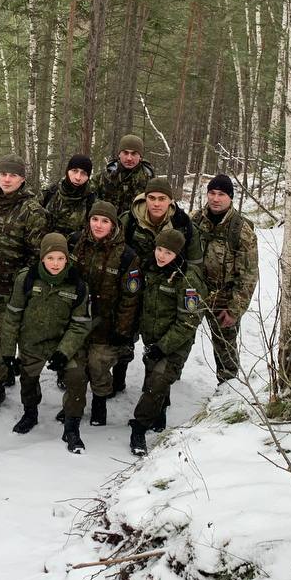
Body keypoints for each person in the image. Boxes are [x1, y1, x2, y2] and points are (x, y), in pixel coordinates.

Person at [0, 233, 92, 454]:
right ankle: (30, 413)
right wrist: (8, 352)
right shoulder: (26, 279)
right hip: (31, 343)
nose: (55, 263)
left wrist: (64, 352)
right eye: (50, 258)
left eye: (60, 258)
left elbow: (80, 325)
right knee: (28, 379)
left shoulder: (77, 285)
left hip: (62, 345)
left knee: (77, 377)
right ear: (42, 258)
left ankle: (72, 425)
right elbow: (12, 316)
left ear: (67, 260)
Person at [117, 177, 202, 394]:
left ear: (170, 201)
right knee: (125, 333)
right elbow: (116, 252)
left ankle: (162, 383)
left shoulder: (183, 224)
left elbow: (194, 263)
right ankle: (118, 377)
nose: (156, 203)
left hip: (166, 290)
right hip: (133, 285)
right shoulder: (130, 220)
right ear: (145, 198)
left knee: (162, 339)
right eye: (152, 198)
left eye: (162, 199)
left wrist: (185, 286)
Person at [127, 228, 207, 457]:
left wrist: (164, 347)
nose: (162, 256)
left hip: (176, 343)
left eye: (168, 253)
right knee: (152, 376)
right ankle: (159, 412)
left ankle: (139, 427)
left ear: (178, 254)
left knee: (158, 380)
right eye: (159, 249)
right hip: (153, 338)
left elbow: (189, 321)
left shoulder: (187, 279)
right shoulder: (150, 269)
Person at [0, 154, 47, 389]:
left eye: (13, 175)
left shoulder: (32, 211)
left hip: (13, 289)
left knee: (1, 336)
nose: (7, 179)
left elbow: (37, 255)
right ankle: (1, 373)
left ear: (22, 179)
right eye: (3, 174)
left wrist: (25, 286)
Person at [69, 201, 140, 427]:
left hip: (107, 325)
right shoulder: (76, 243)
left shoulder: (126, 255)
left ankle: (99, 404)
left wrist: (122, 331)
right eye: (94, 219)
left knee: (98, 366)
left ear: (114, 225)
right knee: (75, 369)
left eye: (105, 221)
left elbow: (130, 299)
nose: (98, 225)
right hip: (78, 321)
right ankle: (74, 406)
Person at [190, 174, 259, 384]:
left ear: (230, 197)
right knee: (178, 338)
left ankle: (227, 389)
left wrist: (234, 310)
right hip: (193, 293)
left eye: (221, 194)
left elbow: (248, 275)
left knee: (225, 350)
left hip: (224, 298)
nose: (215, 198)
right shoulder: (194, 220)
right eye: (212, 193)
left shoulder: (241, 230)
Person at [91, 134, 155, 212]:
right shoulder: (104, 176)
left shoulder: (149, 179)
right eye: (125, 153)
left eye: (134, 154)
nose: (129, 158)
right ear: (119, 154)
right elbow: (89, 198)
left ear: (140, 156)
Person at [41, 154, 95, 237]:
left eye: (83, 173)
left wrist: (83, 236)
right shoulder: (49, 193)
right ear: (67, 170)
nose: (78, 177)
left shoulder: (91, 200)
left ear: (88, 176)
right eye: (74, 171)